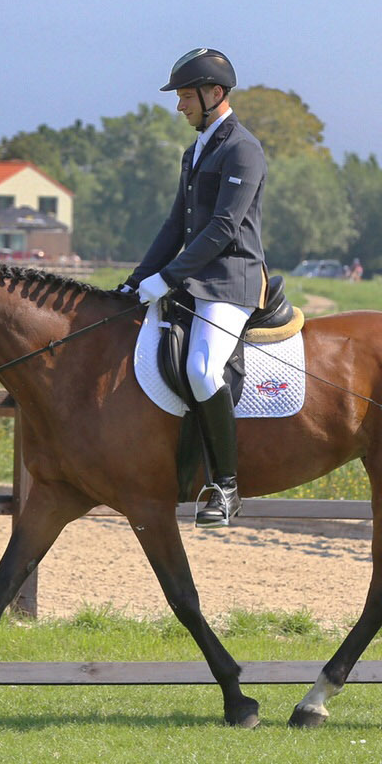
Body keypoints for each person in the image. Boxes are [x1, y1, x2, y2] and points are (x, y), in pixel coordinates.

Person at [121, 48, 267, 528]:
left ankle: (226, 486)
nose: (180, 106)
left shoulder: (242, 149)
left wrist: (169, 278)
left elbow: (224, 227)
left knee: (204, 370)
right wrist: (138, 279)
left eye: (186, 96)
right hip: (195, 279)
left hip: (231, 281)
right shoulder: (197, 150)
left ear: (214, 94)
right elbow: (174, 227)